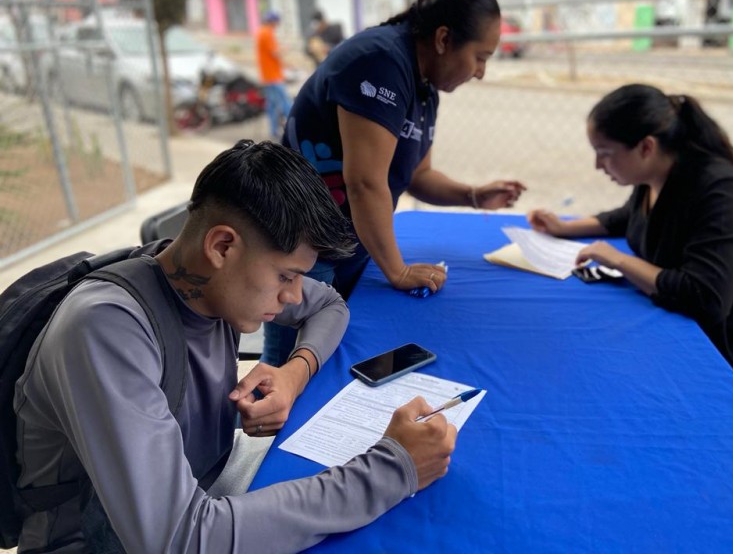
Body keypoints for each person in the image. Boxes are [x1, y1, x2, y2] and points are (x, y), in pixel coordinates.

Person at [14, 140, 457, 552]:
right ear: (222, 245)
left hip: (205, 486)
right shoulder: (106, 329)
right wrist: (390, 470)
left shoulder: (207, 280)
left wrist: (294, 373)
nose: (294, 296)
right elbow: (180, 538)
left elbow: (330, 306)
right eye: (286, 276)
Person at [266, 0, 526, 365]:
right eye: (480, 57)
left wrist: (473, 195)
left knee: (328, 364)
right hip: (303, 249)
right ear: (443, 39)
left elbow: (418, 175)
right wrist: (398, 271)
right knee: (287, 375)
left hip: (346, 244)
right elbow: (365, 182)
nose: (480, 72)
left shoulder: (425, 86)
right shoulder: (381, 61)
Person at [527, 83, 733, 390]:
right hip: (687, 323)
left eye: (604, 153)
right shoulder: (655, 176)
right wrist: (564, 227)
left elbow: (704, 296)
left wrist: (618, 260)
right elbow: (628, 217)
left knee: (613, 380)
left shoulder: (721, 191)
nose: (597, 165)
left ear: (646, 147)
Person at [256, 11, 293, 139]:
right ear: (274, 22)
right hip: (273, 76)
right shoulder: (267, 33)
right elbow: (275, 53)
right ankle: (294, 127)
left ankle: (273, 131)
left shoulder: (261, 32)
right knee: (285, 102)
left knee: (271, 104)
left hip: (267, 76)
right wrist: (286, 48)